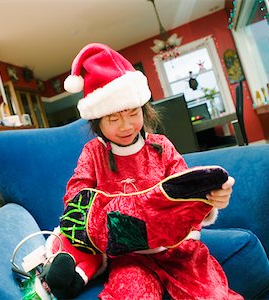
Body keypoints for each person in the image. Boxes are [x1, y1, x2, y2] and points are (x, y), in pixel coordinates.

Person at [41, 43, 241, 299]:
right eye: (113, 119)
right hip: (130, 258)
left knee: (213, 295)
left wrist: (211, 200)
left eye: (133, 113)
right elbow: (76, 201)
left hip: (179, 249)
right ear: (98, 121)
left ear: (144, 110)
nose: (126, 126)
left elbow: (187, 193)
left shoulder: (161, 146)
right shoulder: (93, 153)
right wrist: (125, 216)